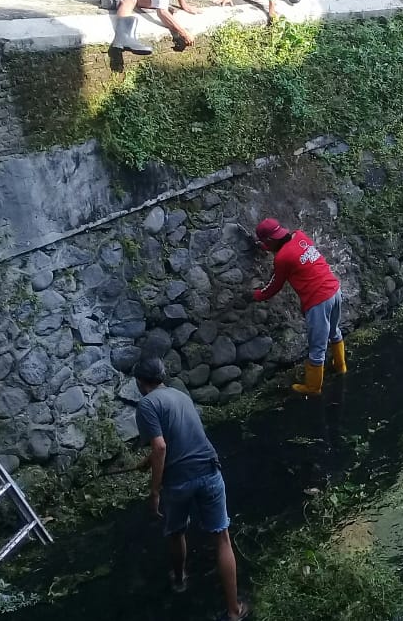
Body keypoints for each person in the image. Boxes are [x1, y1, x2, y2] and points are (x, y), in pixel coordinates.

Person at [132, 357, 249, 621]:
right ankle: (234, 611)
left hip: (178, 481)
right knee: (222, 537)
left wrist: (154, 491)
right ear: (162, 376)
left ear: (140, 382)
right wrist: (148, 461)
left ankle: (180, 579)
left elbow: (161, 446)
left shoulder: (147, 404)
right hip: (209, 470)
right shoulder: (180, 395)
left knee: (176, 532)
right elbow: (180, 439)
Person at [250, 218, 344, 395]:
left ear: (269, 240)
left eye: (266, 243)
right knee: (334, 331)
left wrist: (256, 295)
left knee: (317, 347)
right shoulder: (299, 236)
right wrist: (265, 247)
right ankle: (341, 367)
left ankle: (313, 388)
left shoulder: (282, 258)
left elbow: (275, 285)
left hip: (318, 300)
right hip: (334, 290)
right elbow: (288, 250)